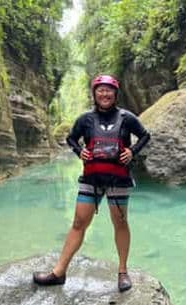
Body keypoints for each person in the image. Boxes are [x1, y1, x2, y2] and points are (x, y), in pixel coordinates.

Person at [32, 75, 150, 292]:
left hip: (118, 179)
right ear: (94, 93)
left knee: (120, 223)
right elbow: (70, 139)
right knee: (78, 223)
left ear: (115, 94)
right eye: (100, 90)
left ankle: (123, 272)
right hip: (91, 180)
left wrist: (132, 152)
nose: (104, 94)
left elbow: (144, 135)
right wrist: (80, 152)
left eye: (108, 90)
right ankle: (58, 272)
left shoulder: (127, 117)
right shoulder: (85, 119)